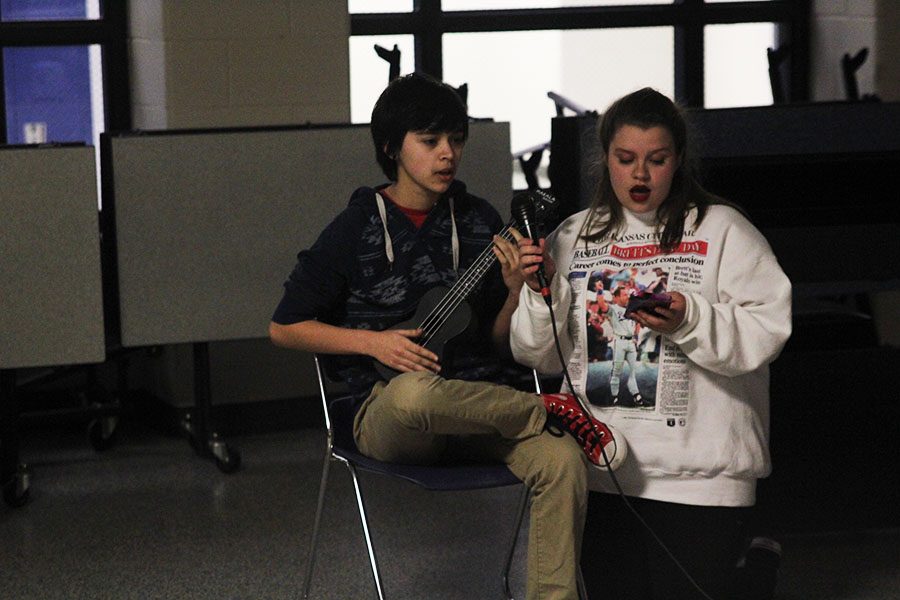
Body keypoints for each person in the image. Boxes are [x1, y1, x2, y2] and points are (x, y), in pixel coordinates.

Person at [269, 72, 626, 600]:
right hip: (395, 418)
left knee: (562, 461)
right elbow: (284, 327)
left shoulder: (480, 220)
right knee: (412, 393)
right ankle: (542, 412)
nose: (447, 155)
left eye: (456, 141)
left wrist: (512, 293)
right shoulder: (356, 227)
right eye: (430, 141)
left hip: (481, 413)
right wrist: (374, 343)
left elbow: (502, 344)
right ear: (392, 147)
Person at [510, 87, 792, 600]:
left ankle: (756, 570)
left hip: (700, 482)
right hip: (600, 471)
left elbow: (767, 330)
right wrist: (539, 293)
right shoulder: (574, 236)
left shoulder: (723, 230)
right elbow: (538, 355)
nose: (640, 175)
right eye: (626, 159)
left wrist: (689, 318)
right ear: (606, 161)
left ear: (678, 160)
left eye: (656, 160)